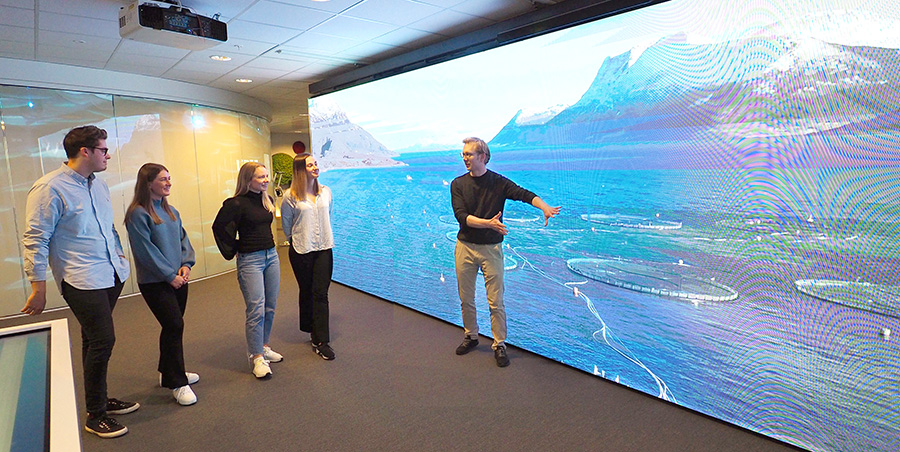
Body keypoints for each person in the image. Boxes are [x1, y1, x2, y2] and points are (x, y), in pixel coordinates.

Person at [21, 125, 138, 438]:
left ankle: (98, 400)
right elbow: (36, 238)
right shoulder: (49, 188)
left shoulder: (97, 185)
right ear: (85, 151)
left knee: (92, 339)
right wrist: (38, 286)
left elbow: (107, 227)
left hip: (110, 272)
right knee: (103, 340)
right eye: (103, 149)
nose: (108, 154)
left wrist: (120, 259)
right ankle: (95, 414)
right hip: (79, 277)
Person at [450, 137, 561, 367]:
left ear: (483, 156)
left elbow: (524, 194)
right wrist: (488, 224)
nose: (465, 158)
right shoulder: (457, 184)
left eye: (469, 154)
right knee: (466, 298)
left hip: (491, 250)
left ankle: (499, 344)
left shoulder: (498, 183)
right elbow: (462, 218)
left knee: (495, 301)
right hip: (465, 248)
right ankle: (471, 335)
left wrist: (545, 208)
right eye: (463, 154)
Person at [124, 163, 199, 406]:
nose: (168, 183)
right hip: (157, 282)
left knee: (174, 327)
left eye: (169, 178)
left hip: (179, 278)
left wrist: (186, 265)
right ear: (148, 183)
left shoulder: (171, 211)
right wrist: (170, 275)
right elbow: (145, 252)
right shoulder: (138, 214)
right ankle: (177, 382)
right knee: (174, 325)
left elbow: (183, 240)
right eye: (163, 179)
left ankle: (169, 372)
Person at [212, 162, 283, 379]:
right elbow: (219, 227)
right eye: (260, 177)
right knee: (256, 308)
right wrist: (234, 249)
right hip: (250, 260)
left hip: (271, 256)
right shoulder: (235, 204)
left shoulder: (267, 200)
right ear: (248, 180)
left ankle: (263, 345)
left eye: (266, 176)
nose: (265, 180)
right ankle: (256, 357)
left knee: (270, 307)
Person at [281, 153, 336, 360]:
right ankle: (310, 327)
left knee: (320, 293)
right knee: (307, 291)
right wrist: (297, 238)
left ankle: (321, 340)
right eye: (310, 165)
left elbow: (328, 215)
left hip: (324, 248)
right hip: (301, 250)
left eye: (315, 163)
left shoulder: (326, 192)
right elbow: (287, 225)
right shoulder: (290, 196)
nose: (315, 167)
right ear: (300, 170)